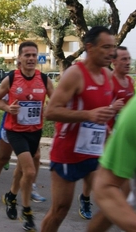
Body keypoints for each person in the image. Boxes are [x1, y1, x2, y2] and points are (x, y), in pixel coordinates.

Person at [40, 26, 118, 232]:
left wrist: (110, 130)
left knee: (112, 205)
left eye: (114, 47)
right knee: (60, 209)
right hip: (68, 153)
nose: (111, 52)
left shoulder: (108, 77)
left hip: (95, 153)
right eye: (106, 47)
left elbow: (103, 116)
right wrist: (88, 115)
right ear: (90, 48)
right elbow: (50, 112)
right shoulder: (75, 74)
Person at [0, 41, 54, 231]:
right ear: (19, 58)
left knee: (20, 170)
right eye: (27, 55)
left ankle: (10, 196)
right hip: (15, 131)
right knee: (30, 170)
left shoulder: (44, 79)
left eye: (34, 55)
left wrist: (51, 108)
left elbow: (56, 99)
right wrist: (8, 107)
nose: (31, 59)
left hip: (35, 131)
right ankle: (26, 212)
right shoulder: (11, 79)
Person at [87, 46, 135, 232]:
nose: (127, 62)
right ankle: (85, 197)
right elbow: (99, 105)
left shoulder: (129, 81)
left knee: (123, 192)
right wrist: (113, 108)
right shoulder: (109, 81)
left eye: (129, 58)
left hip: (125, 132)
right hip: (111, 133)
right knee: (103, 176)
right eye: (123, 59)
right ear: (114, 62)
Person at [0, 60, 48, 204]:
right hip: (11, 126)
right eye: (22, 62)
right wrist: (8, 107)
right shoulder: (10, 79)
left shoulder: (40, 79)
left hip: (31, 128)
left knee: (36, 157)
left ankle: (31, 185)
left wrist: (47, 108)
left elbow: (51, 99)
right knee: (4, 158)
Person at [85, 96, 136, 232]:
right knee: (61, 207)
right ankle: (84, 198)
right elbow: (105, 186)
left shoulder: (128, 84)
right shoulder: (133, 113)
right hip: (99, 141)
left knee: (123, 199)